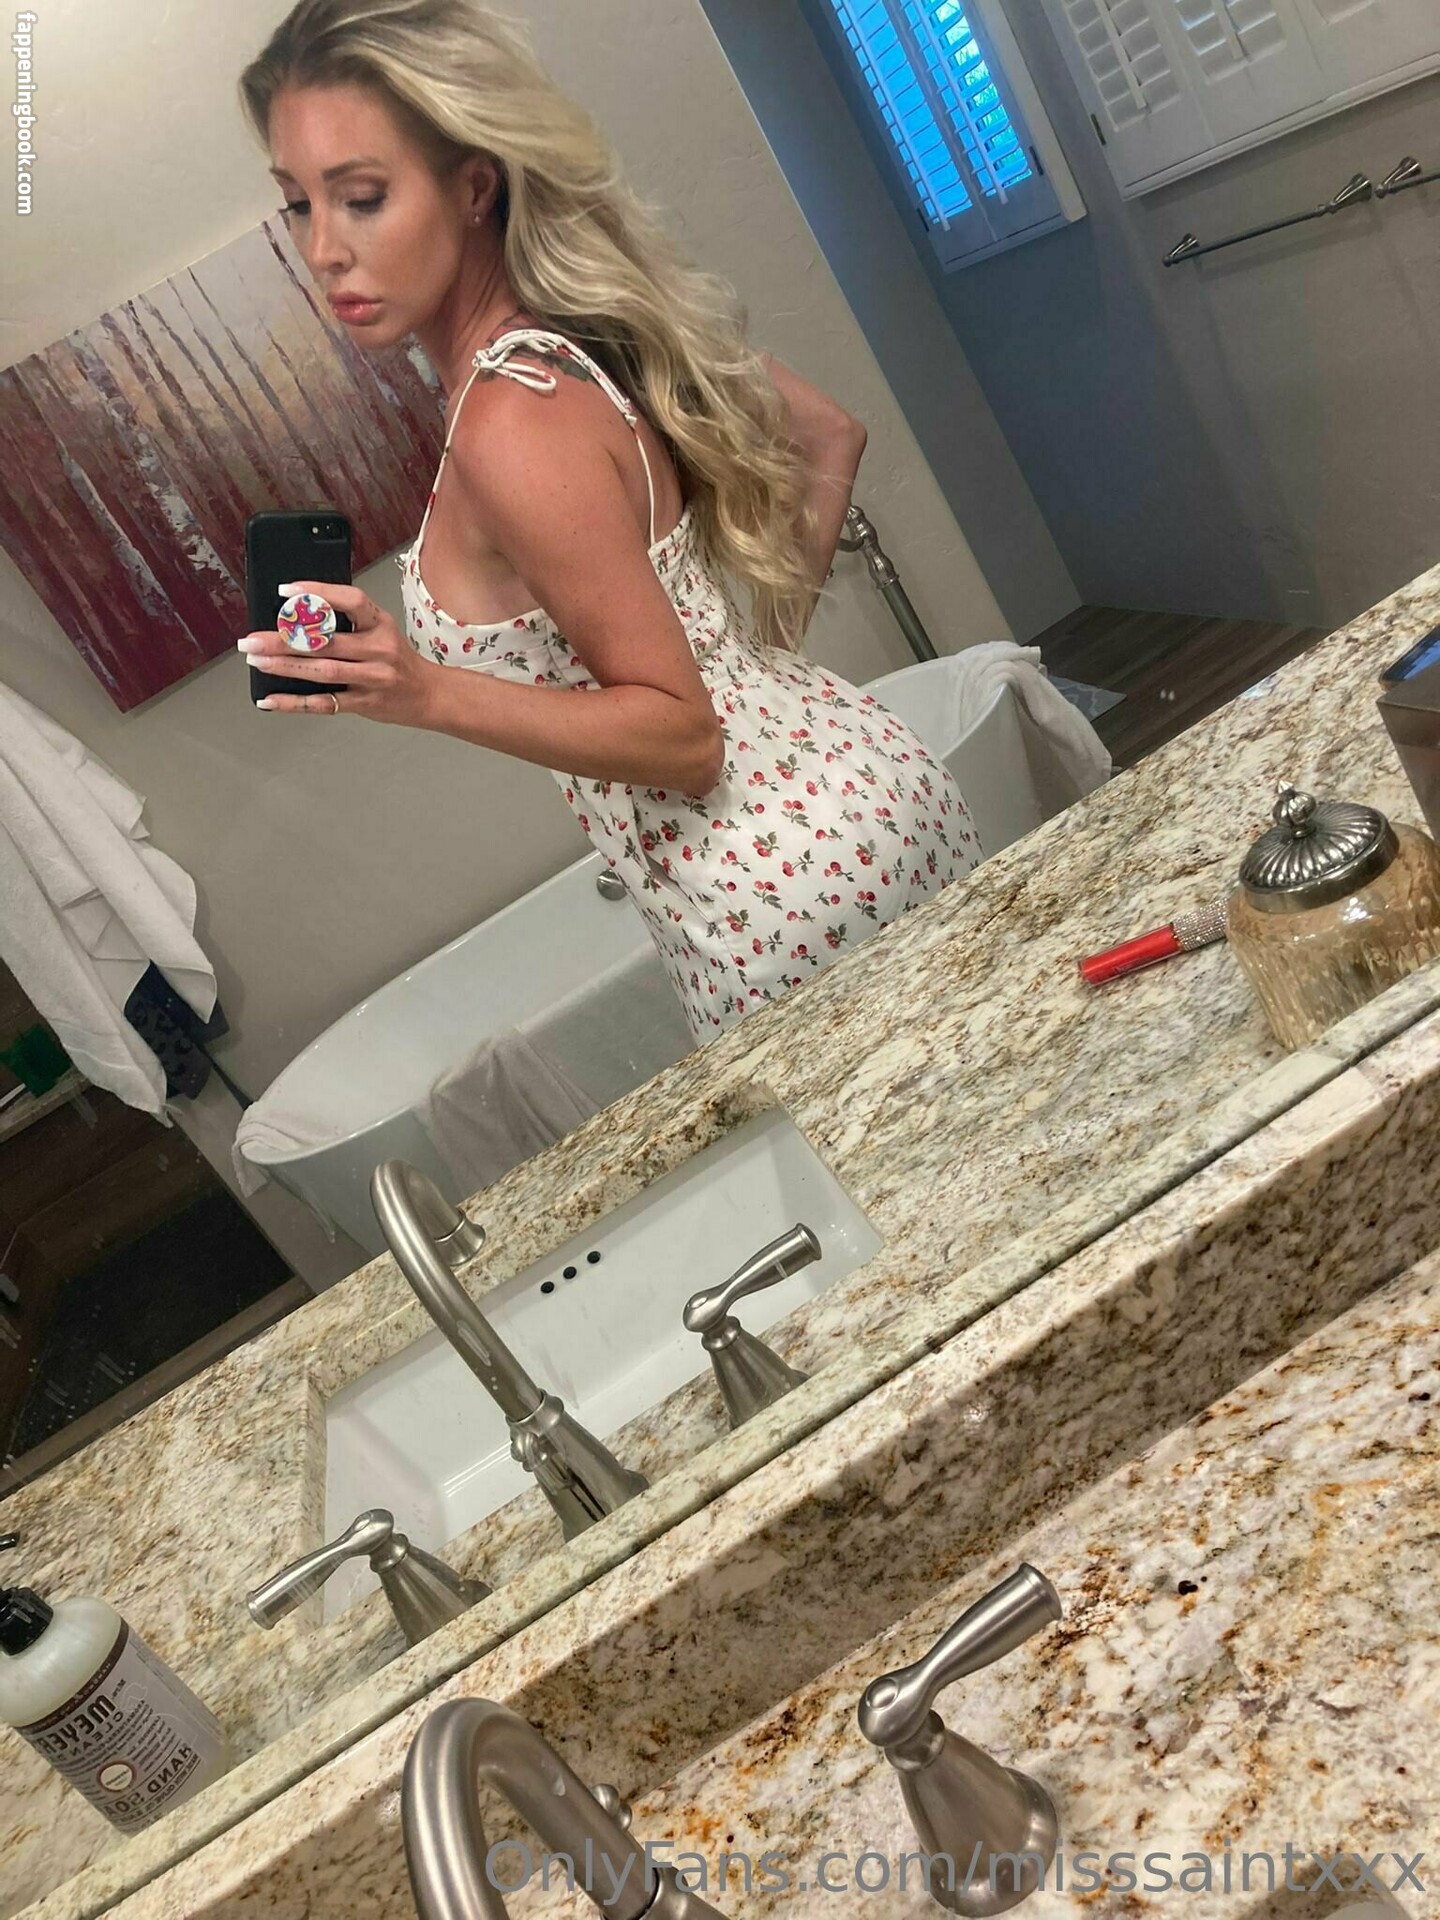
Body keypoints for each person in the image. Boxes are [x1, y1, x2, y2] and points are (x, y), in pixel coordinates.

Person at [237, 0, 981, 1041]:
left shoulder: (509, 418)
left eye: (361, 198)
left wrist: (422, 690)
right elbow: (830, 435)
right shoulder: (581, 335)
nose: (323, 248)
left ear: (474, 185)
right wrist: (754, 665)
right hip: (853, 784)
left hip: (768, 886)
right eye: (296, 205)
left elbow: (686, 738)